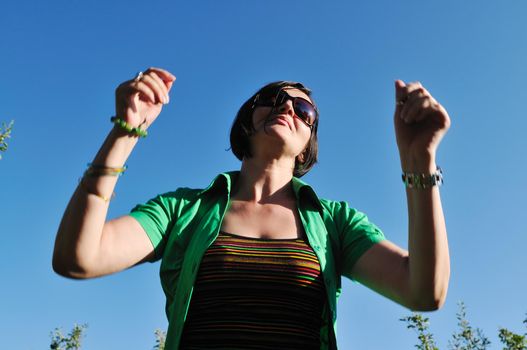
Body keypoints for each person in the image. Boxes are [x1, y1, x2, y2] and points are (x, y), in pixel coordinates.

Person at [53, 67, 451, 350]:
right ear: (247, 121)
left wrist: (419, 161)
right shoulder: (184, 210)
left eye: (304, 111)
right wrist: (125, 131)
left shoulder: (336, 222)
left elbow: (424, 291)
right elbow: (79, 257)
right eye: (273, 100)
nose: (287, 109)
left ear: (309, 144)